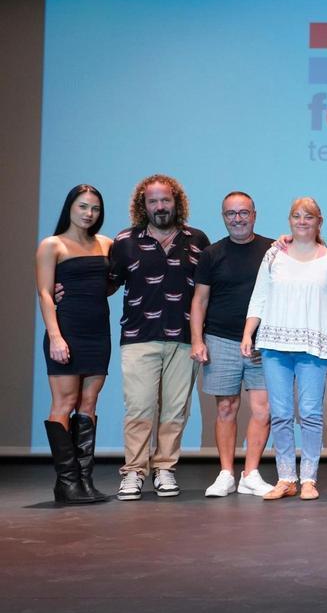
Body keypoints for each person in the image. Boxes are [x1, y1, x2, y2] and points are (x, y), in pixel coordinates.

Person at [109, 174, 210, 500]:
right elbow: (108, 283)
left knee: (175, 410)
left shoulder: (197, 240)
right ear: (143, 205)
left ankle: (165, 467)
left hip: (184, 338)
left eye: (165, 200)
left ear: (176, 202)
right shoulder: (125, 240)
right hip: (139, 336)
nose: (160, 206)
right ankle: (134, 472)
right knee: (139, 408)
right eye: (153, 201)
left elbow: (207, 292)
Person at [243, 197, 327, 500]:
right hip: (275, 345)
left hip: (313, 346)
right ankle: (286, 477)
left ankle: (309, 479)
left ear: (319, 221)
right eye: (296, 216)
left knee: (311, 413)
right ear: (289, 220)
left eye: (309, 217)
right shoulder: (274, 255)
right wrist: (248, 333)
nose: (302, 221)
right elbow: (259, 297)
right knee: (280, 414)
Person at [190, 192, 274, 497]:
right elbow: (199, 300)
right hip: (220, 339)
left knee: (262, 410)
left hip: (262, 342)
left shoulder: (272, 250)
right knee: (226, 407)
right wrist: (197, 339)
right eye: (230, 214)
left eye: (243, 213)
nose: (237, 219)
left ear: (254, 214)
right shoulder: (211, 254)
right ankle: (226, 473)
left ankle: (250, 473)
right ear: (223, 217)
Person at [35, 185, 112, 504]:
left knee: (89, 404)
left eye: (94, 208)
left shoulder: (107, 244)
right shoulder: (52, 245)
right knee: (64, 404)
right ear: (70, 207)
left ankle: (84, 482)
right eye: (82, 206)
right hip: (66, 331)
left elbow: (107, 286)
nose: (88, 213)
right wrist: (55, 336)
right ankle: (66, 482)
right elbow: (44, 293)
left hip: (98, 333)